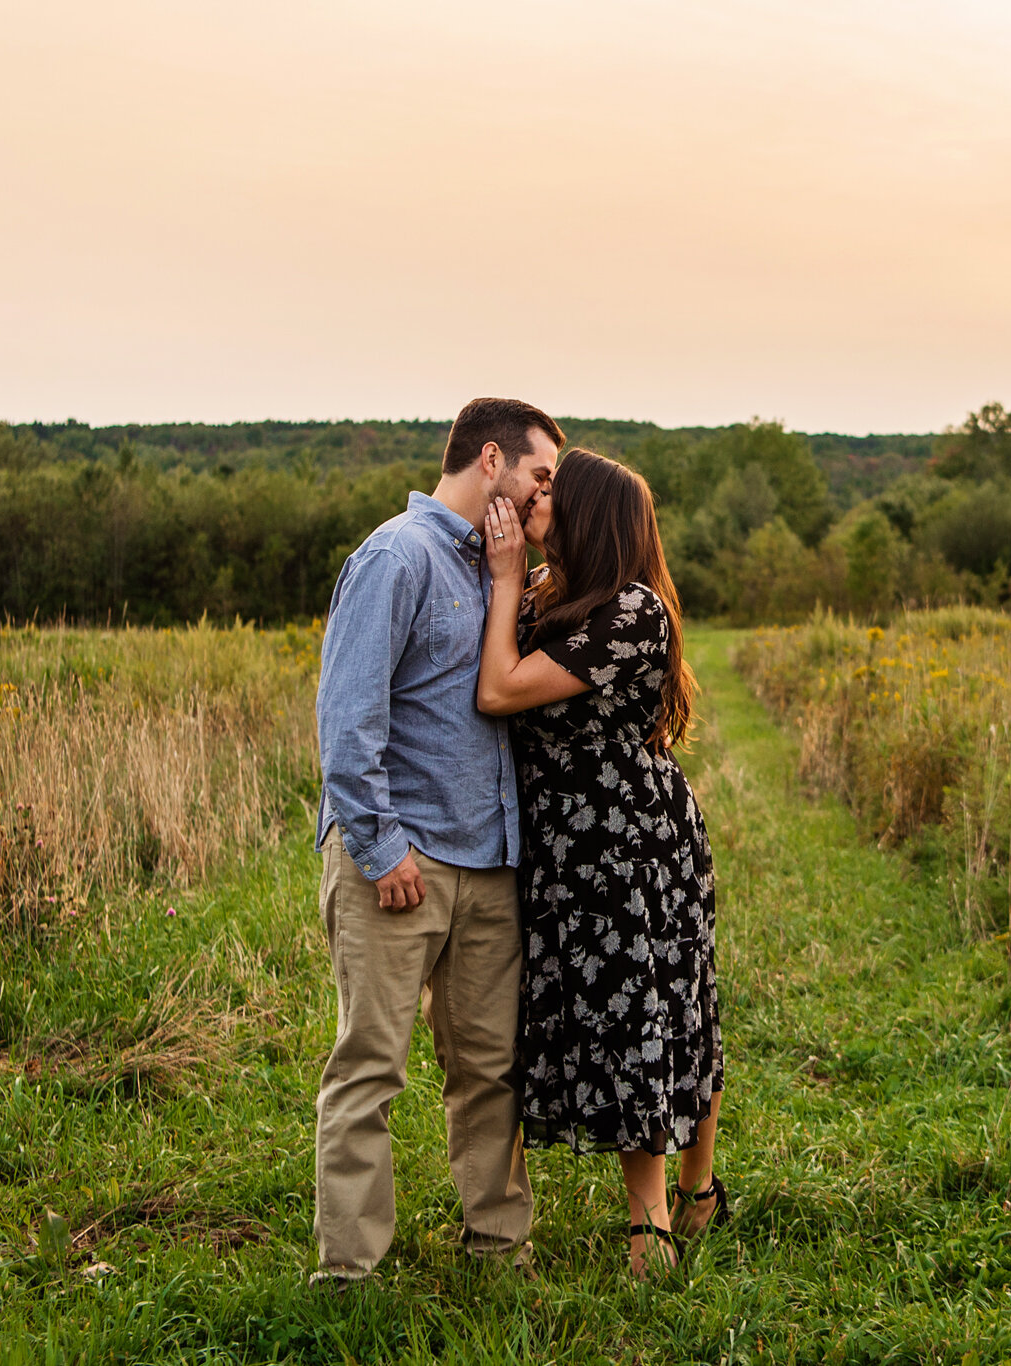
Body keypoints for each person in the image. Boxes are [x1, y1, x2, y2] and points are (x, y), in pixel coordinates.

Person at [310, 396, 562, 1285]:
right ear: (489, 460)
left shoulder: (505, 570)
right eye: (539, 477)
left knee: (491, 1072)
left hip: (491, 864)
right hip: (403, 862)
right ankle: (348, 1273)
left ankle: (498, 1254)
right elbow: (348, 717)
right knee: (371, 1067)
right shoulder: (397, 555)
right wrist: (380, 849)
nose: (544, 500)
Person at [474, 448, 727, 1278]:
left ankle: (663, 1217)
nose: (538, 497)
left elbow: (500, 691)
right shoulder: (562, 596)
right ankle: (686, 1200)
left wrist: (508, 576)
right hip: (568, 849)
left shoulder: (634, 611)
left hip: (630, 843)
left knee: (654, 1015)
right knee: (643, 1012)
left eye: (554, 490)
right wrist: (516, 580)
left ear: (591, 513)